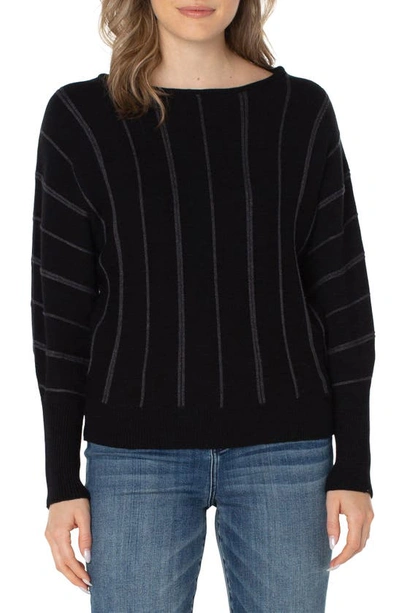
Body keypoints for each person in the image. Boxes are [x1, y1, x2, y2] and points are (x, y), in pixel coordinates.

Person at [31, 0, 375, 611]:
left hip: (287, 451)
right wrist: (62, 481)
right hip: (133, 456)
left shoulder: (300, 111)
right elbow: (60, 310)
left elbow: (343, 296)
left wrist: (354, 464)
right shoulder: (80, 117)